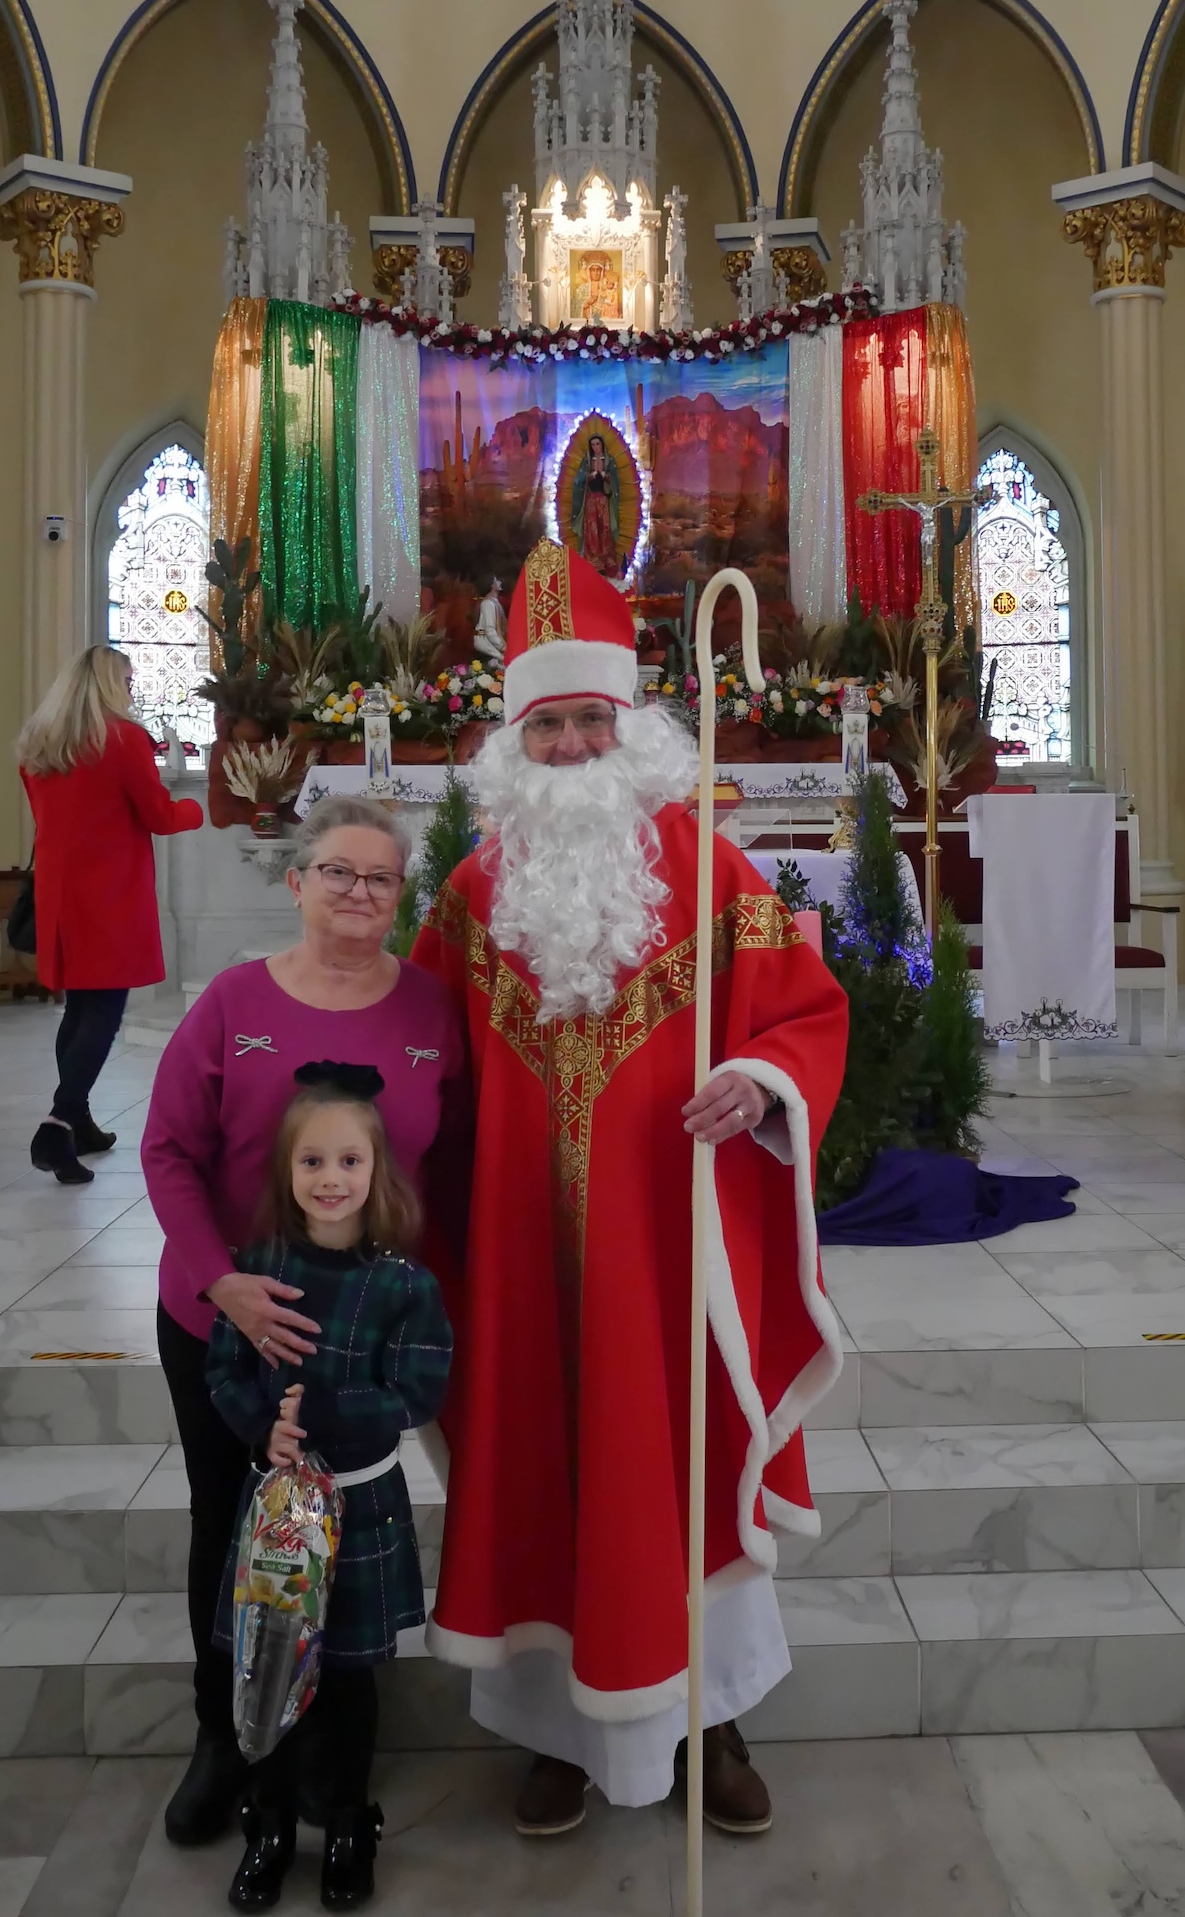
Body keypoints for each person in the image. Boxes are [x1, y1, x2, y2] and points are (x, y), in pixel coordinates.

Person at [411, 540, 848, 1838]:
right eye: (545, 725)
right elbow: (415, 1056)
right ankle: (561, 1733)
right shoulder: (471, 895)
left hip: (668, 1253)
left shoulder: (710, 872)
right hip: (522, 1253)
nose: (569, 745)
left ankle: (711, 1716)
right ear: (512, 740)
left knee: (678, 1459)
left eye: (590, 719)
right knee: (541, 1466)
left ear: (630, 724)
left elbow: (806, 1013)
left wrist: (760, 1083)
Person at [141, 794, 466, 1851]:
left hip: (359, 1333)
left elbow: (455, 1160)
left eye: (379, 878)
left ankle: (331, 1753)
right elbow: (167, 1150)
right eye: (337, 871)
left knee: (342, 1535)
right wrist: (221, 1284)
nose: (357, 892)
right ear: (296, 880)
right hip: (223, 1318)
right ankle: (224, 1735)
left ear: (399, 894)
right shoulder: (234, 1001)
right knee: (229, 1524)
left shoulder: (431, 1012)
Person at [208, 1060, 452, 1911]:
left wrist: (325, 1410)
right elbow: (223, 1370)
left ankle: (349, 1821)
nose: (330, 1178)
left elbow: (418, 1391)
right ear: (286, 1169)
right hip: (277, 1513)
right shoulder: (258, 1270)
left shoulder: (404, 1286)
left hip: (359, 1505)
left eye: (349, 1160)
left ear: (377, 1170)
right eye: (311, 1160)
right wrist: (261, 1425)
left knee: (347, 1678)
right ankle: (269, 1822)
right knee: (265, 1666)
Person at [17, 645, 203, 1185]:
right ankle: (56, 1126)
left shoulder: (40, 745)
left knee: (79, 1008)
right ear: (107, 685)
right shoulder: (122, 738)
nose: (131, 689)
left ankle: (79, 1121)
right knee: (103, 1011)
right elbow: (159, 815)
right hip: (109, 893)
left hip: (60, 893)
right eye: (126, 680)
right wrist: (197, 808)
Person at [569, 431, 622, 582]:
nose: (595, 447)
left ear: (602, 445)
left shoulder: (609, 461)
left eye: (598, 444)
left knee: (605, 528)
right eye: (593, 444)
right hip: (591, 500)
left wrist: (607, 477)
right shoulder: (586, 462)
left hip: (604, 500)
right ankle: (592, 561)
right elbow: (578, 480)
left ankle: (606, 560)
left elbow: (616, 483)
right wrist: (588, 477)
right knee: (591, 529)